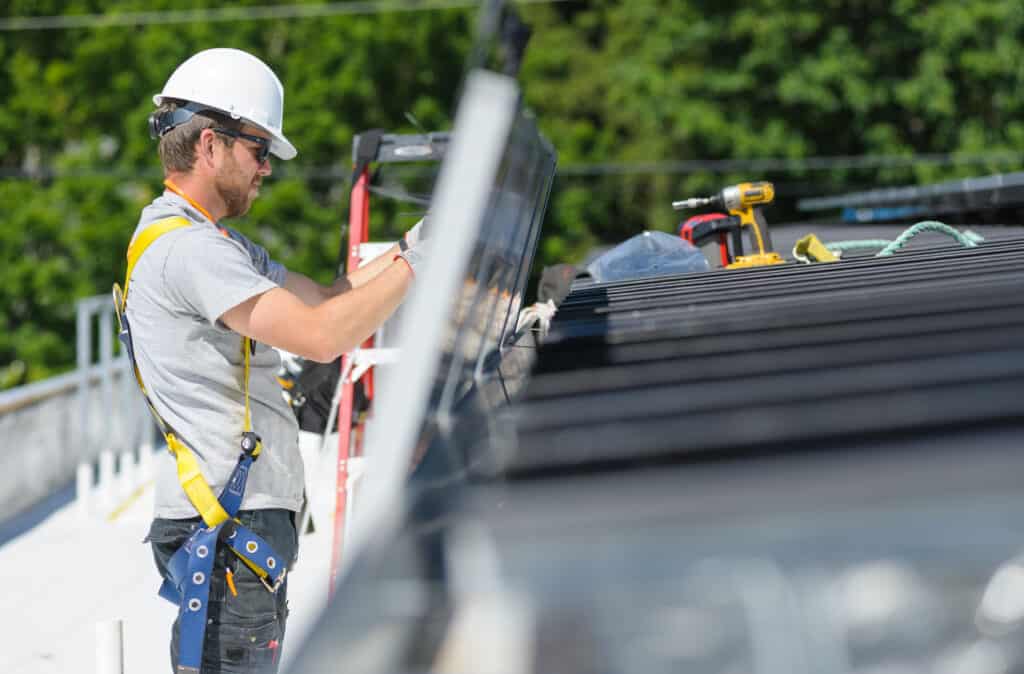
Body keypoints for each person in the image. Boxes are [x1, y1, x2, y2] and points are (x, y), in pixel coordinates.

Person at [126, 48, 425, 673]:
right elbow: (321, 336)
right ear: (210, 145)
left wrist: (410, 246)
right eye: (259, 150)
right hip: (227, 531)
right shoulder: (189, 252)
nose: (266, 169)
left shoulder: (215, 243)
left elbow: (330, 297)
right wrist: (421, 264)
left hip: (238, 531)